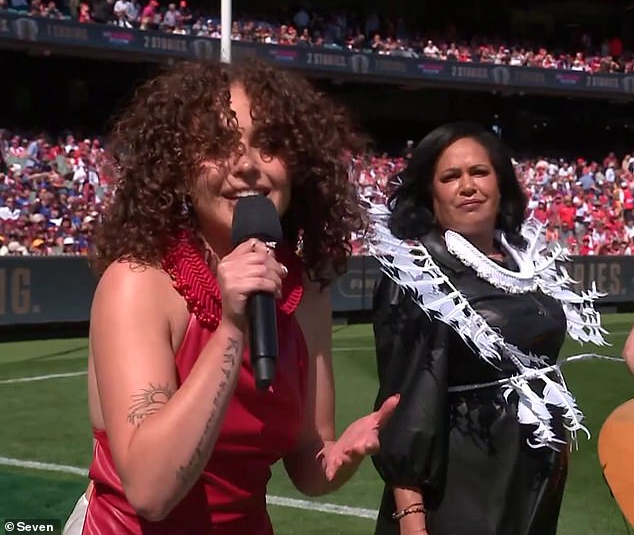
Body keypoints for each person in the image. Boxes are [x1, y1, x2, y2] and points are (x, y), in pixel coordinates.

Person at [63, 58, 399, 535]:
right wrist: (232, 328)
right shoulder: (138, 282)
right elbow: (150, 491)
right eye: (218, 145)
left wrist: (346, 452)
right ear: (178, 168)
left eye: (270, 146)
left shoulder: (306, 297)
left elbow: (309, 460)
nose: (246, 165)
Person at [363, 122, 607, 535]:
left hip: (532, 477)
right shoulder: (419, 278)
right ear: (431, 194)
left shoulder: (526, 261)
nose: (467, 186)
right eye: (450, 177)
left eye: (479, 172)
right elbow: (403, 409)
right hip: (464, 487)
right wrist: (411, 519)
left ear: (500, 182)